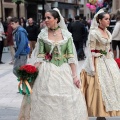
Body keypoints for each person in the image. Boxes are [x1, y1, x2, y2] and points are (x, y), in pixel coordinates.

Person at [18, 8, 88, 120]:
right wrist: (30, 71)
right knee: (45, 97)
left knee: (66, 98)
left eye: (48, 18)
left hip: (64, 70)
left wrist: (75, 76)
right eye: (45, 18)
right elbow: (40, 55)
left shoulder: (66, 35)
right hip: (47, 70)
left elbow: (70, 56)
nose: (45, 20)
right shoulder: (43, 34)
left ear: (56, 19)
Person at [80, 9, 120, 120]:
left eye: (109, 18)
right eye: (106, 19)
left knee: (111, 86)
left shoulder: (107, 32)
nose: (108, 21)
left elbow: (109, 48)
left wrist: (111, 57)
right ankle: (99, 113)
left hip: (108, 61)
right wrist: (92, 67)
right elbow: (91, 51)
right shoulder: (94, 33)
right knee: (98, 87)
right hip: (98, 61)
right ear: (99, 20)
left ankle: (105, 112)